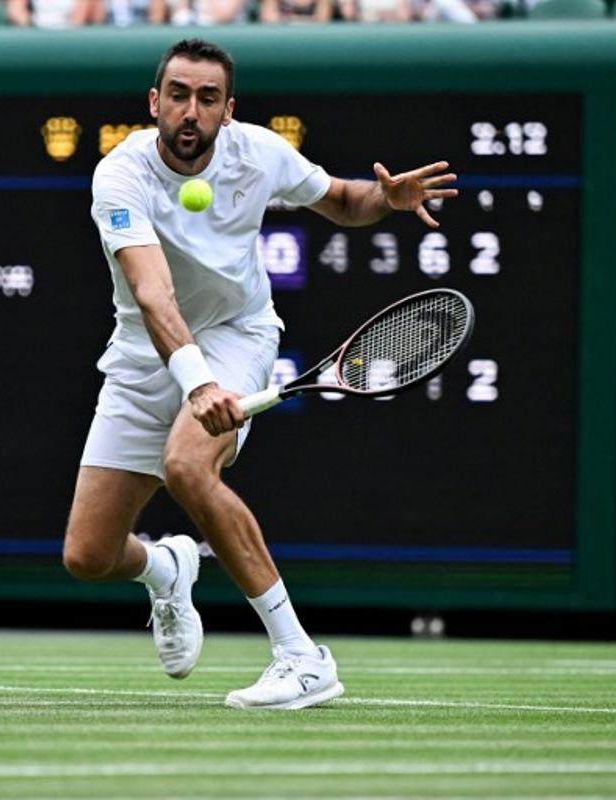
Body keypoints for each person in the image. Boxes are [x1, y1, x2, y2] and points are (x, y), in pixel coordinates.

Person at [66, 38, 457, 710]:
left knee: (189, 467)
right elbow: (154, 296)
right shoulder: (119, 177)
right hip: (144, 351)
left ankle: (302, 657)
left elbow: (341, 201)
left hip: (238, 335)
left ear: (228, 109)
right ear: (154, 103)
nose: (192, 111)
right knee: (89, 555)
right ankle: (167, 567)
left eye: (208, 98)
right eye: (180, 95)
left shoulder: (261, 152)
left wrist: (383, 200)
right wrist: (196, 384)